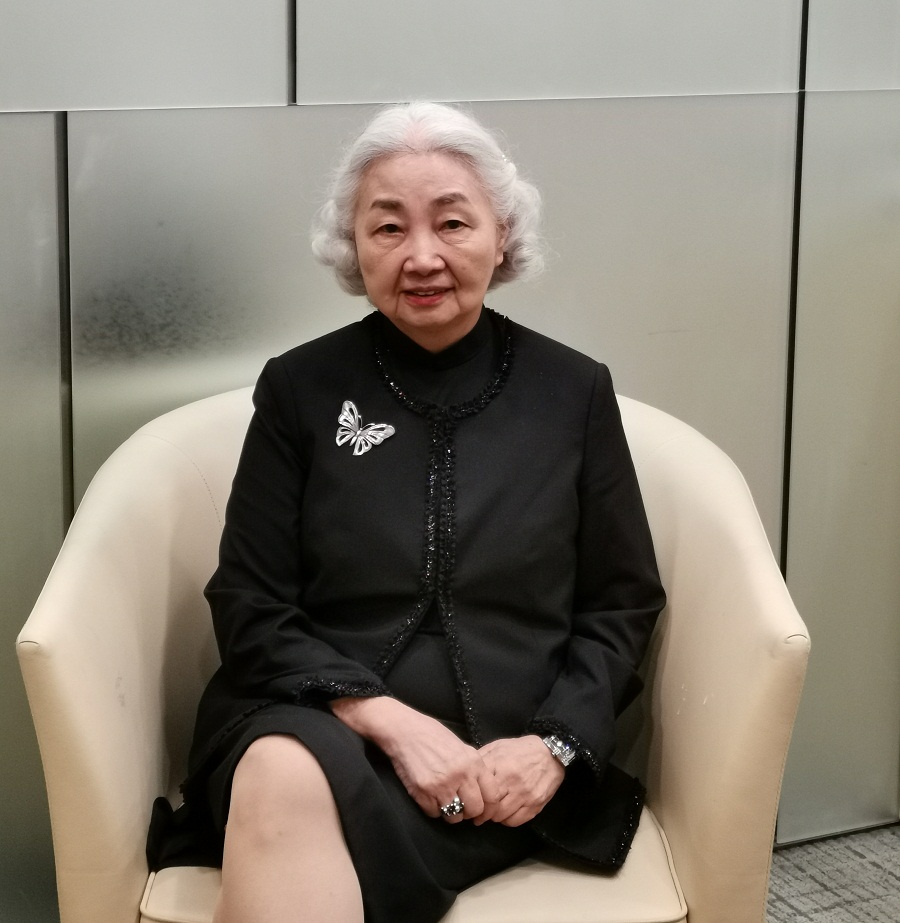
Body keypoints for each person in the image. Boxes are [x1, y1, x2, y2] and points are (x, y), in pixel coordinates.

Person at [147, 101, 666, 923]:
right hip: (312, 717)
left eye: (452, 222)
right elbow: (250, 602)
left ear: (501, 233)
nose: (421, 256)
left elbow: (620, 601)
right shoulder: (300, 388)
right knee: (282, 770)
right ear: (353, 244)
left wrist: (554, 745)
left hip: (497, 760)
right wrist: (387, 721)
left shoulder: (574, 392)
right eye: (388, 227)